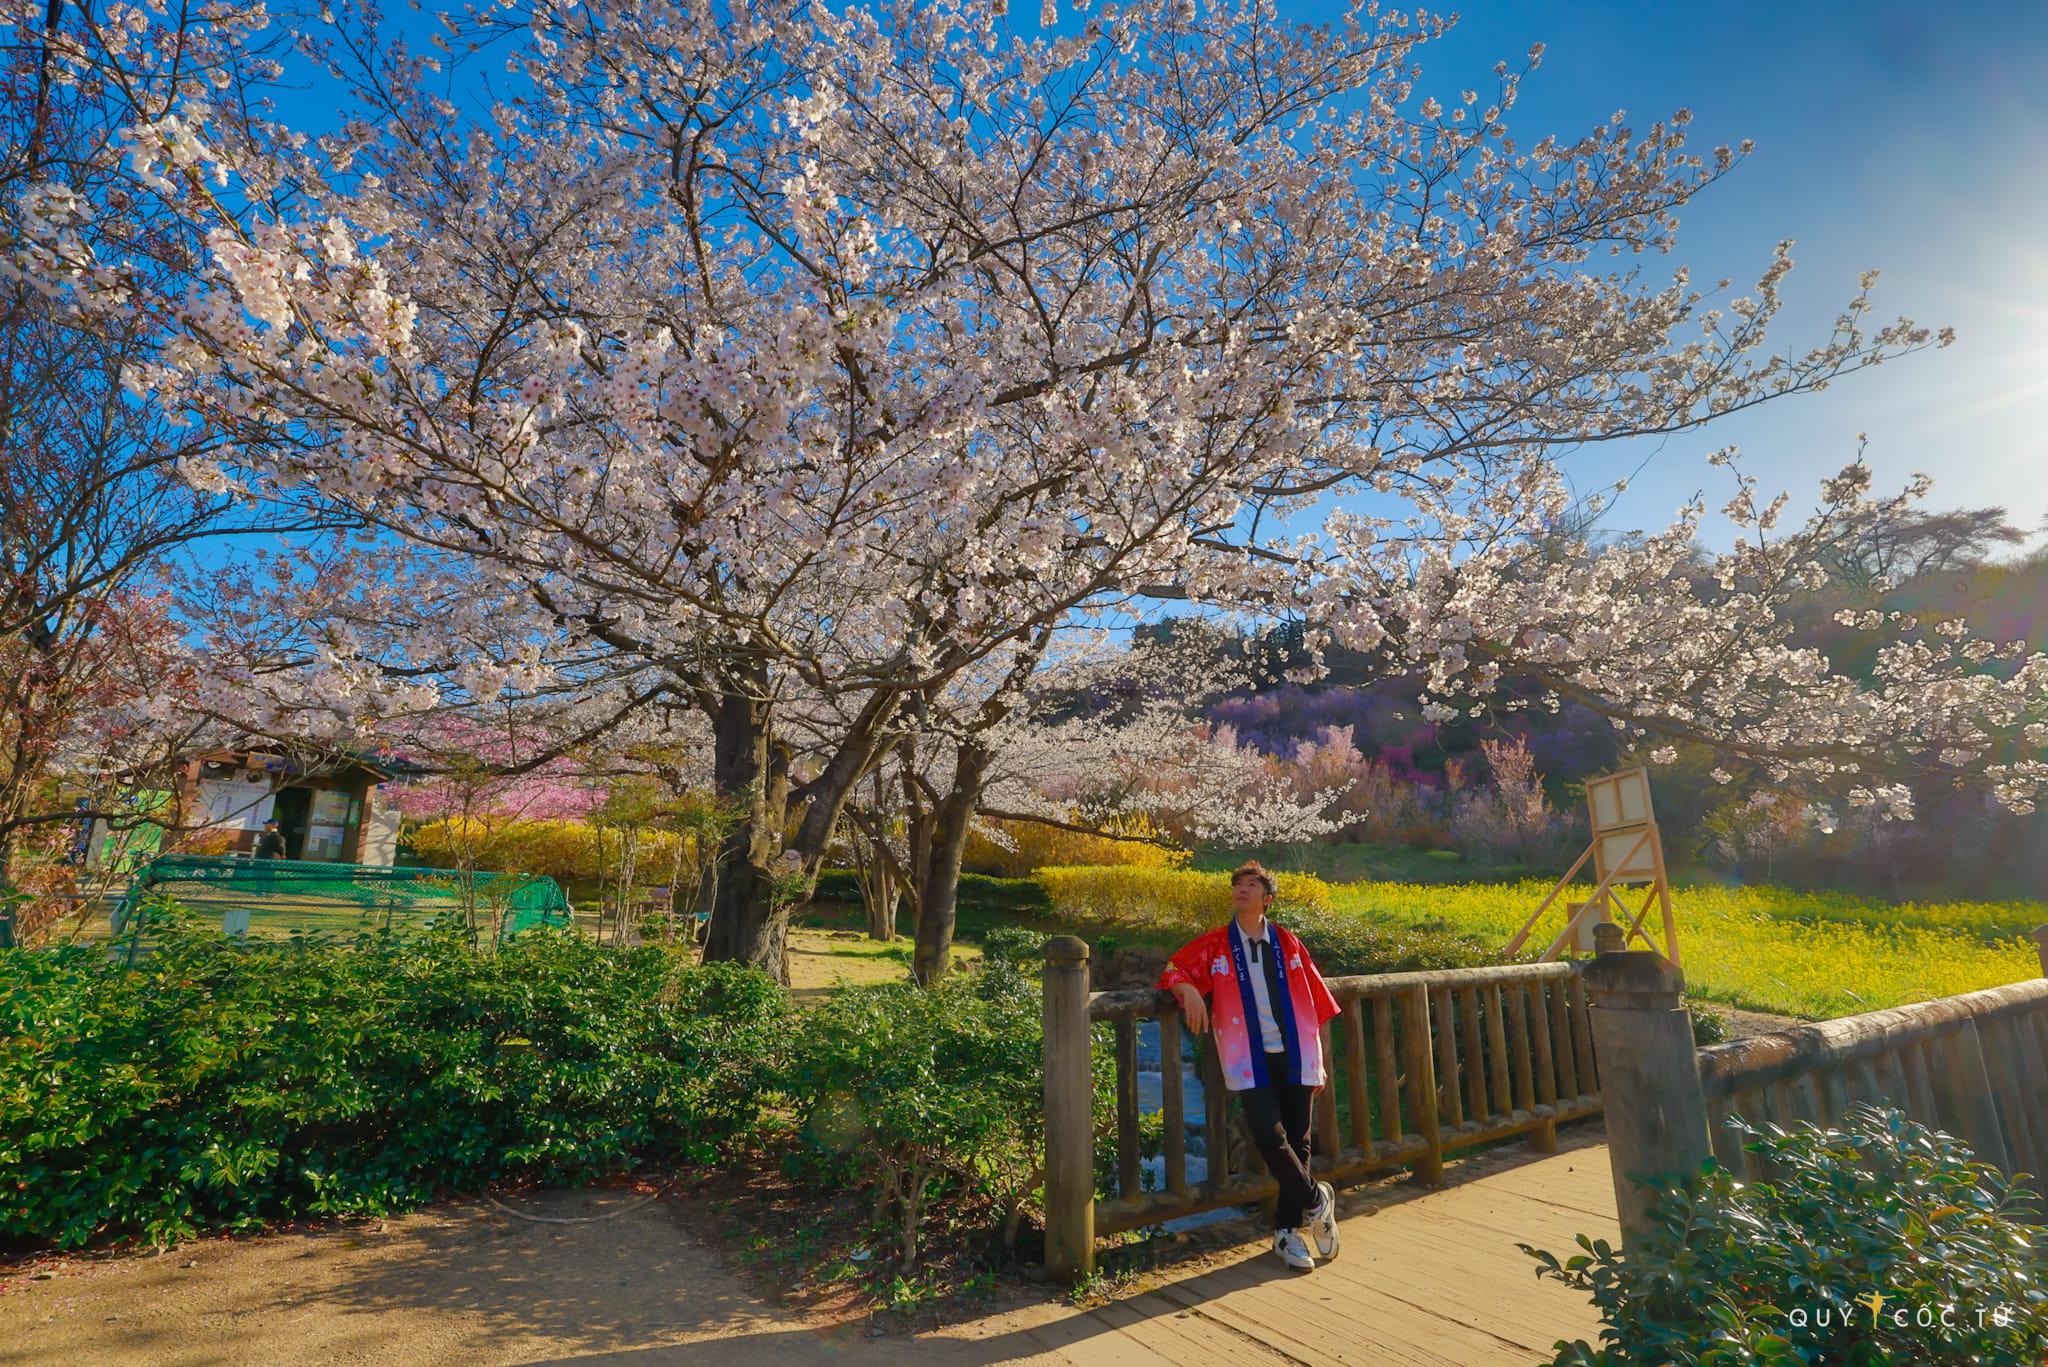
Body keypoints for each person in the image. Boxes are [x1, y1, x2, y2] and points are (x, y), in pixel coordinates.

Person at [1158, 861, 1343, 1272]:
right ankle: (1317, 1201)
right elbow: (1174, 969)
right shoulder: (1216, 945)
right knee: (1268, 1134)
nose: (1242, 889)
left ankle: (1286, 1233)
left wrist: (1320, 1059)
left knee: (1299, 1141)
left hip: (1295, 1051)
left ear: (1267, 899)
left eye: (1252, 884)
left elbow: (1316, 1001)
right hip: (1249, 1055)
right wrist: (1187, 988)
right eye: (1237, 884)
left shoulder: (1290, 943)